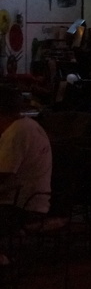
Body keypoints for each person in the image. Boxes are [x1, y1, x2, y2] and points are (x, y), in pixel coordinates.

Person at [0, 88, 51, 220]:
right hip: (33, 203)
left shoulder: (16, 133)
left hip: (20, 207)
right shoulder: (29, 125)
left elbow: (3, 174)